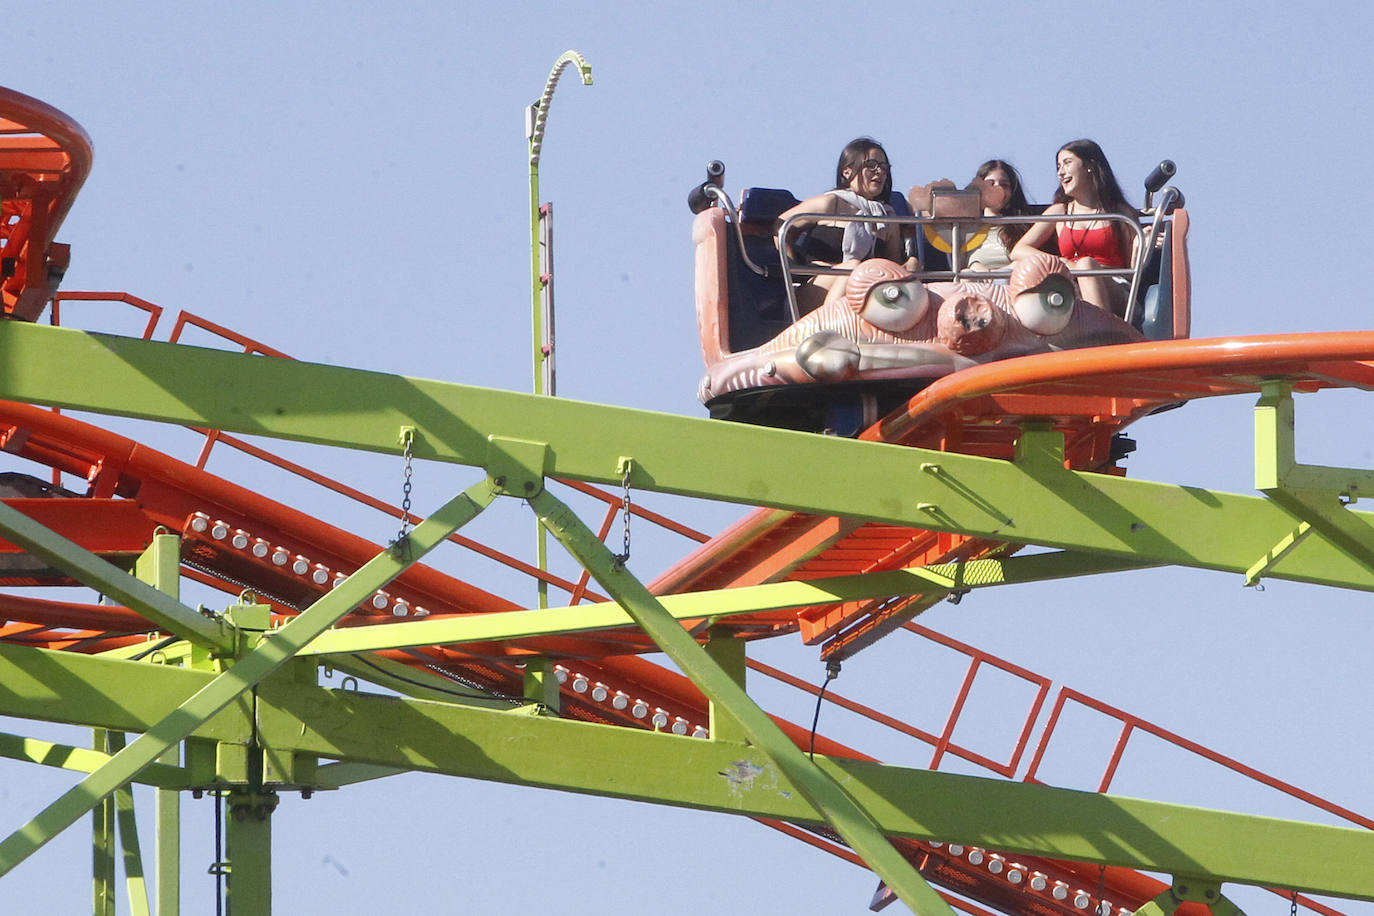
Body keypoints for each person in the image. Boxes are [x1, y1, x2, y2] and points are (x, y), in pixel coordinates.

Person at [777, 138, 909, 312]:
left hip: (865, 293)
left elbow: (891, 266)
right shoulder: (831, 203)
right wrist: (792, 266)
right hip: (816, 288)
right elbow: (781, 226)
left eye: (884, 167)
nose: (880, 171)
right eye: (871, 164)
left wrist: (909, 266)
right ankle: (829, 329)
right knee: (854, 267)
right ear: (847, 171)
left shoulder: (887, 218)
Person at [1011, 139, 1136, 315]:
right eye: (1058, 166)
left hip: (1114, 286)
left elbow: (1133, 269)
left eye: (1067, 163)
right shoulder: (1060, 211)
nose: (1061, 172)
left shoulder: (1119, 212)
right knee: (1017, 266)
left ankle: (1101, 332)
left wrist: (1143, 243)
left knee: (1085, 265)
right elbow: (1019, 250)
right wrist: (1060, 262)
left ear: (1089, 166)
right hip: (1070, 283)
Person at [966, 159, 1033, 273]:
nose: (998, 188)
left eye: (1004, 184)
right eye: (990, 183)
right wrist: (974, 266)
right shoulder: (965, 229)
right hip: (976, 285)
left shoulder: (1025, 227)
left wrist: (999, 274)